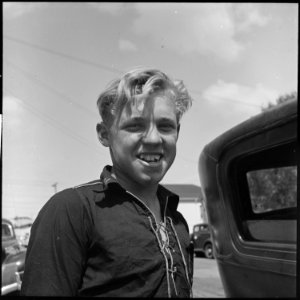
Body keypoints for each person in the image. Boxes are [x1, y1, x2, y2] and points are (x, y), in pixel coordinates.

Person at [21, 67, 194, 297]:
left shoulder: (177, 221)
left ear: (177, 133)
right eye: (135, 126)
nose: (153, 138)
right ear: (104, 134)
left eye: (165, 126)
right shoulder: (72, 210)